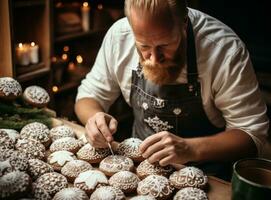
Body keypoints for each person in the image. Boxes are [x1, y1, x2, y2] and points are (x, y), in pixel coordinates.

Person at [75, 0, 269, 180]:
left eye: (164, 45)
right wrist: (94, 117)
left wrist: (190, 149)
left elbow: (251, 134)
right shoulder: (119, 36)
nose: (153, 58)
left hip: (207, 172)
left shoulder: (224, 50)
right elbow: (89, 95)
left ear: (184, 23)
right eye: (144, 46)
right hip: (140, 168)